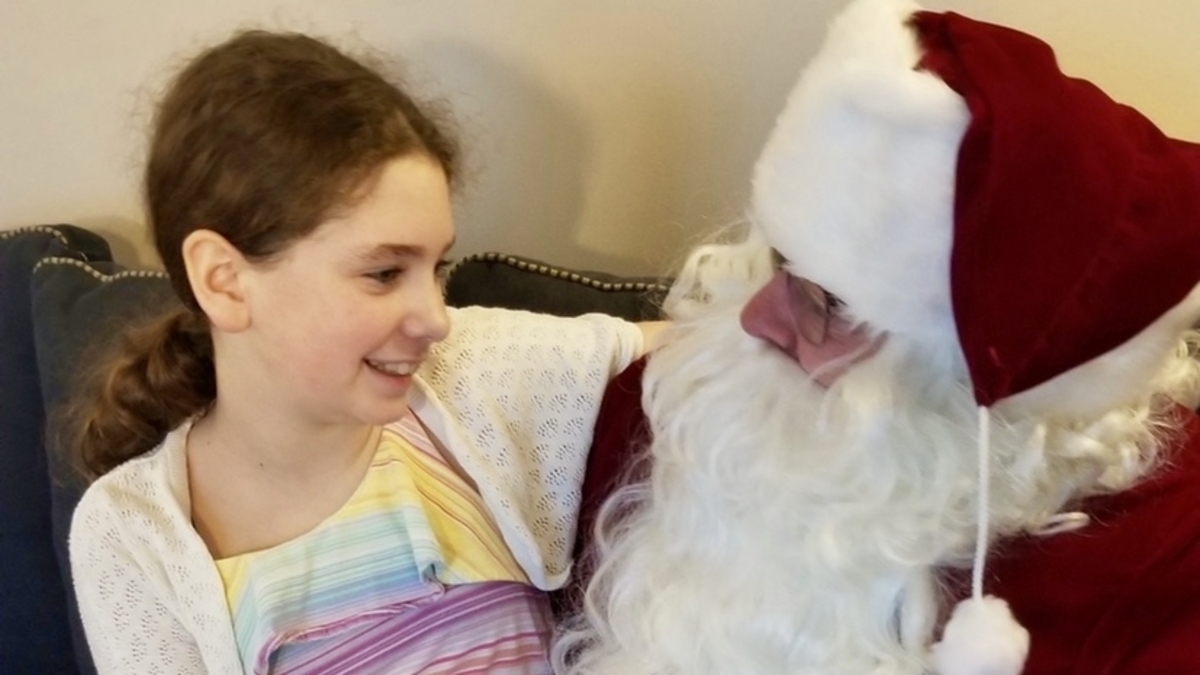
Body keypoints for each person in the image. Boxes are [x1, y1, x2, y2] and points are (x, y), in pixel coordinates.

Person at [555, 0, 1200, 674]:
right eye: (777, 262)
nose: (754, 319)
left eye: (829, 304)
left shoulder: (1168, 561)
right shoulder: (674, 403)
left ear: (978, 382)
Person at [66, 30, 662, 675]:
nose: (435, 318)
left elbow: (720, 347)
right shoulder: (130, 534)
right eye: (383, 274)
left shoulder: (473, 368)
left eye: (437, 267)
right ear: (224, 280)